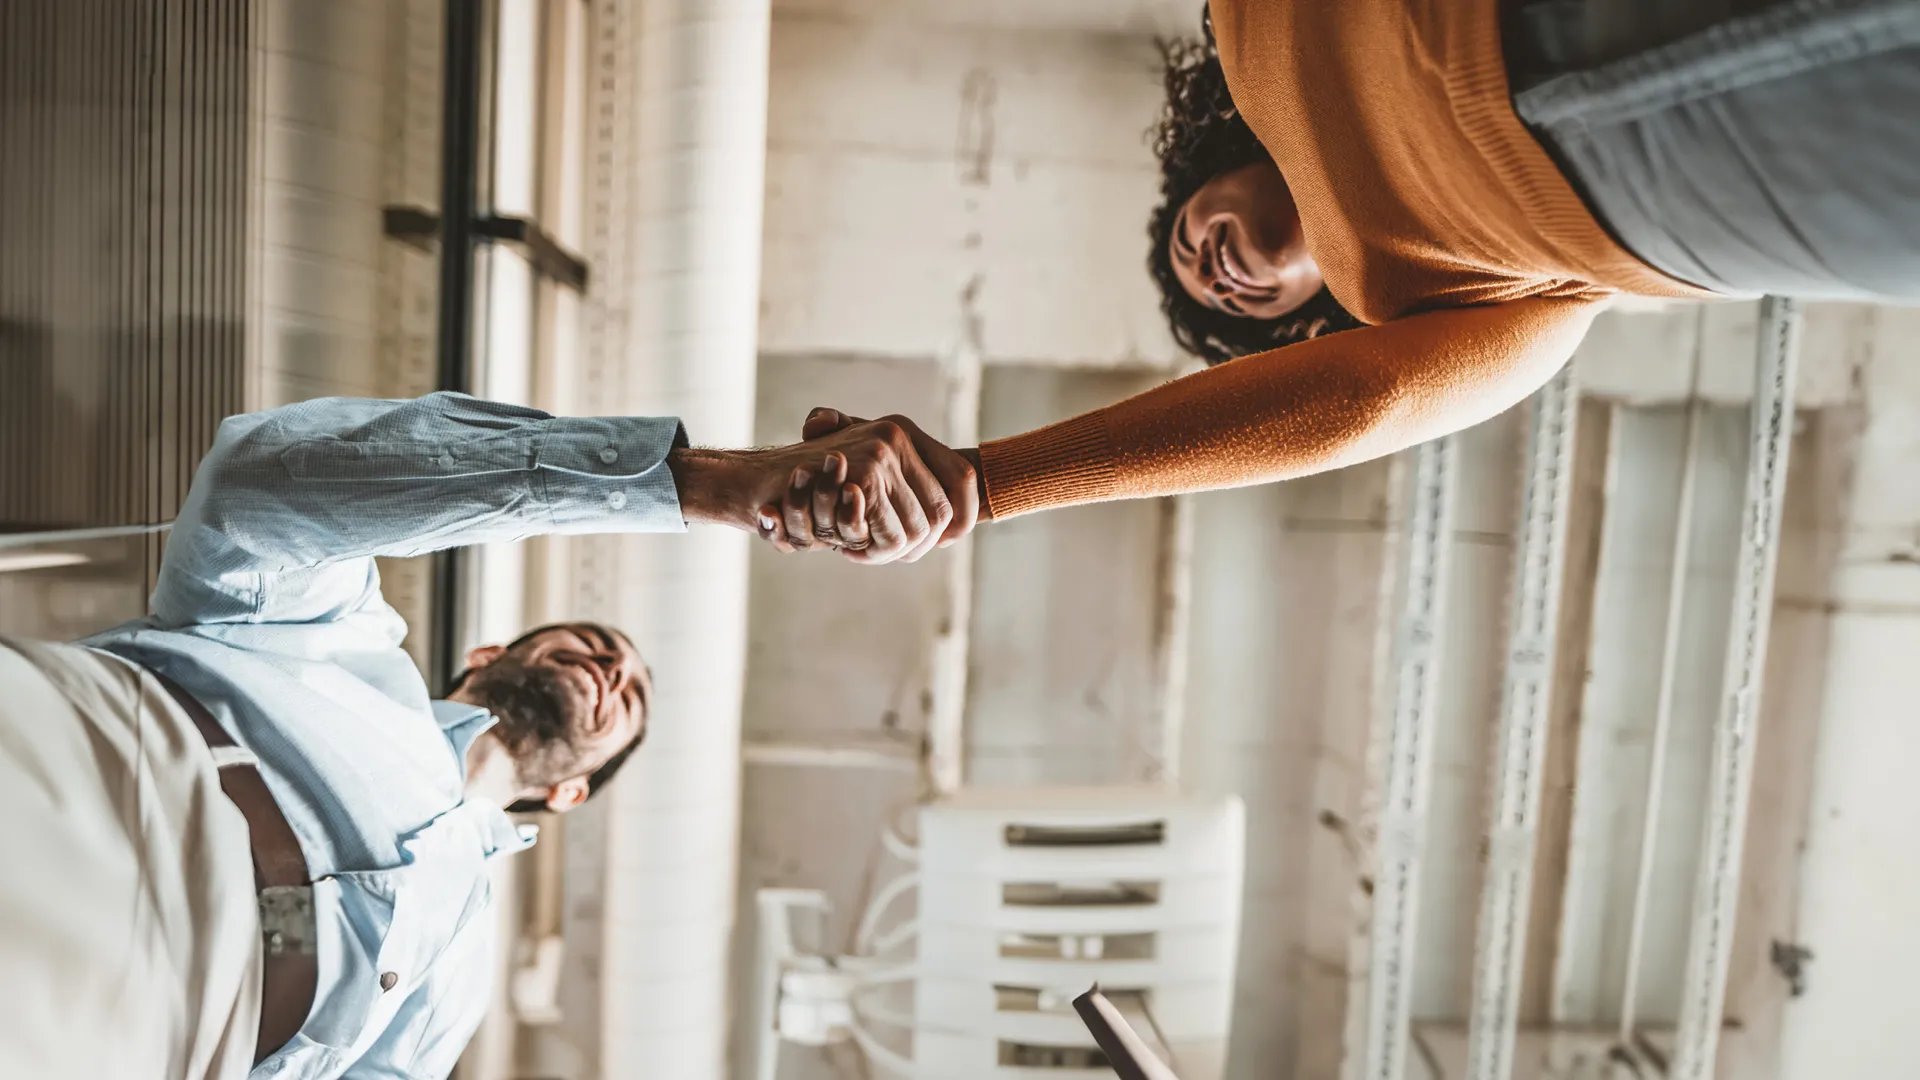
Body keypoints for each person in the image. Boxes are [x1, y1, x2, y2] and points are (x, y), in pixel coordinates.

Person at [0, 390, 974, 1080]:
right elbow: (257, 485)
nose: (607, 669)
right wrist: (703, 484)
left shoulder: (455, 974)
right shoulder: (332, 636)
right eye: (592, 644)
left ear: (571, 794)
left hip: (110, 1043)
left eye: (624, 696)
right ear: (492, 648)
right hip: (58, 779)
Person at [758, 0, 1920, 558]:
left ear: (1195, 176)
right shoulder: (1438, 306)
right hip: (1676, 197)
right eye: (1237, 305)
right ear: (1308, 314)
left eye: (1187, 249)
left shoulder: (1256, 29)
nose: (1214, 271)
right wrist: (981, 481)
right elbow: (1362, 406)